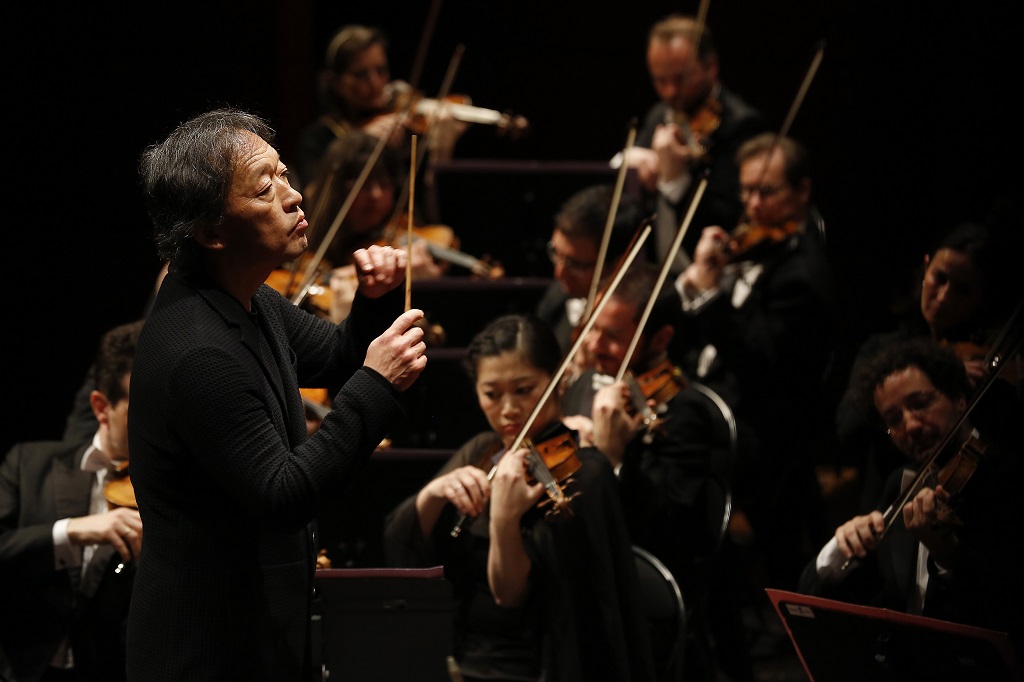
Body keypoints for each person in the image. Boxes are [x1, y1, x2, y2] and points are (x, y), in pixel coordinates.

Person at [125, 107, 428, 681]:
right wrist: (377, 383)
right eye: (266, 188)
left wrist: (374, 299)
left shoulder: (245, 297)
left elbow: (337, 356)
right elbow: (284, 494)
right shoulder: (200, 353)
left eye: (286, 175)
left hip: (255, 635)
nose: (294, 197)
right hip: (205, 651)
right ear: (212, 232)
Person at [383, 314, 655, 682]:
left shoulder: (584, 470)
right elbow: (398, 541)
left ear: (557, 381)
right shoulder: (483, 449)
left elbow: (509, 597)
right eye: (492, 394)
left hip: (532, 669)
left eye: (524, 390)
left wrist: (505, 519)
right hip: (461, 654)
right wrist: (433, 494)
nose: (508, 409)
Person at [561, 262, 753, 682]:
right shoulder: (585, 385)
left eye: (612, 336)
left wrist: (609, 460)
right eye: (593, 327)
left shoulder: (685, 415)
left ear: (661, 338)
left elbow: (666, 534)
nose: (593, 346)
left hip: (640, 598)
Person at [673, 133, 836, 594]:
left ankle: (703, 585)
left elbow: (758, 358)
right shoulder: (757, 247)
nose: (752, 204)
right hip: (727, 402)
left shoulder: (802, 275)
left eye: (767, 192)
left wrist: (709, 294)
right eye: (746, 190)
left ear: (802, 192)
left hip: (766, 424)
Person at [799, 338, 1024, 661]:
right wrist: (840, 547)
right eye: (894, 420)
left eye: (921, 403)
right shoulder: (901, 485)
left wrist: (948, 555)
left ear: (959, 398)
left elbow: (1005, 607)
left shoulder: (1007, 475)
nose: (911, 426)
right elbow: (813, 598)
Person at [835, 222, 1020, 511]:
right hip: (887, 504)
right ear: (925, 267)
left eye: (963, 290)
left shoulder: (982, 360)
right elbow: (849, 429)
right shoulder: (882, 349)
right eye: (939, 278)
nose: (944, 296)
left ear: (980, 298)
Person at [1, 319, 145, 682]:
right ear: (101, 407)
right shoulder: (28, 463)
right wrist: (69, 531)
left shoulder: (171, 491)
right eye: (140, 410)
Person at [620, 14, 768, 271]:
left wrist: (677, 180)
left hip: (711, 272)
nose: (670, 92)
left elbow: (729, 219)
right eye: (660, 80)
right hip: (658, 272)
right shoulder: (660, 114)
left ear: (711, 66)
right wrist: (628, 163)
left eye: (680, 79)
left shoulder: (741, 125)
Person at [295, 24, 466, 193]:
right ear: (336, 82)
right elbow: (312, 197)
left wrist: (442, 147)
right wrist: (359, 141)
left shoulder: (404, 126)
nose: (375, 83)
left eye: (381, 70)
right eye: (361, 74)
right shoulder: (318, 138)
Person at [534, 183, 648, 354]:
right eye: (555, 253)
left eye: (576, 265)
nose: (559, 273)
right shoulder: (555, 300)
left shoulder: (639, 320)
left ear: (620, 263)